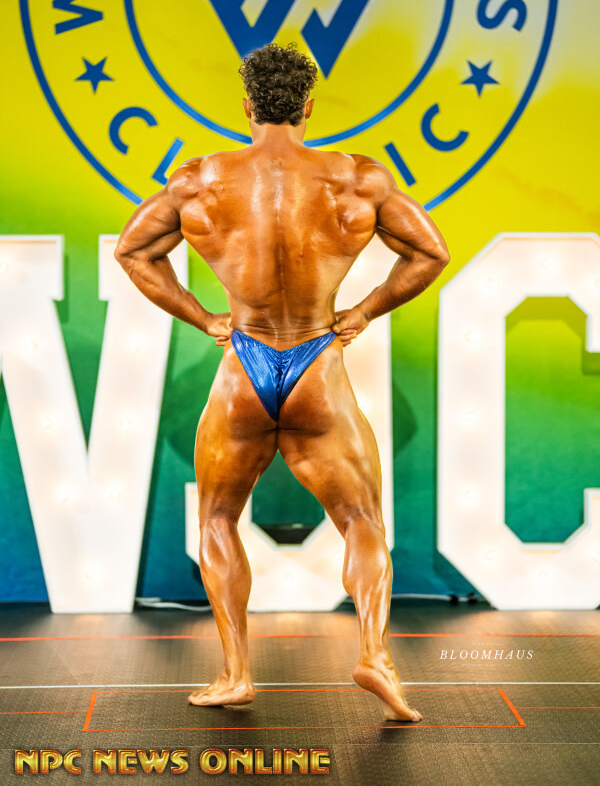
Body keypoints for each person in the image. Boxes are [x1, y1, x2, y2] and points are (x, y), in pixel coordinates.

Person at [115, 43, 449, 722]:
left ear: (246, 105)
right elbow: (430, 252)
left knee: (217, 518)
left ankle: (236, 674)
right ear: (308, 107)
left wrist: (203, 317)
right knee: (362, 521)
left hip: (244, 360)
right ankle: (374, 654)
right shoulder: (357, 179)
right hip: (317, 360)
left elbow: (134, 251)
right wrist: (364, 311)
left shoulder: (199, 181)